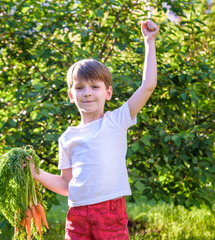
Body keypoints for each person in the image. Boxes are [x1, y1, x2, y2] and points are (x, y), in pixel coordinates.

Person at [27, 19, 159, 240]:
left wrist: (150, 41)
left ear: (108, 93)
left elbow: (148, 85)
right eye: (80, 88)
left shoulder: (117, 120)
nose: (87, 93)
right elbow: (66, 185)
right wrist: (35, 174)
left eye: (95, 86)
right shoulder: (67, 138)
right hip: (76, 215)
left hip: (110, 211)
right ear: (71, 96)